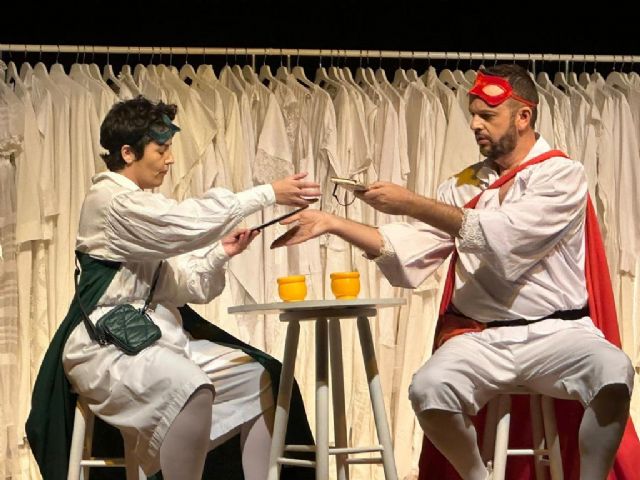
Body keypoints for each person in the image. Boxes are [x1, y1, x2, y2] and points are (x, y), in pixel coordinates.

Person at [271, 64, 638, 479]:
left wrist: (412, 202)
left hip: (558, 333)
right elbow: (416, 248)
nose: (475, 125)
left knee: (613, 373)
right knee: (428, 390)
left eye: (487, 115)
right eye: (473, 115)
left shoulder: (561, 175)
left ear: (523, 116)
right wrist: (333, 223)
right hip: (483, 337)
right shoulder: (463, 185)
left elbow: (508, 236)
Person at [26, 95, 320, 480]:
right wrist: (266, 194)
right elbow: (182, 224)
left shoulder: (139, 207)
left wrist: (220, 253)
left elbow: (179, 286)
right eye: (161, 150)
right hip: (104, 345)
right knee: (189, 384)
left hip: (153, 338)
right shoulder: (111, 201)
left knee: (257, 378)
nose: (170, 159)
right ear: (128, 153)